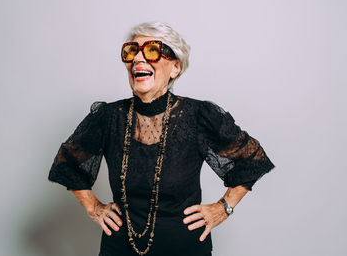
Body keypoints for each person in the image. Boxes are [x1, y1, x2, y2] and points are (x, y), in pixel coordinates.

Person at [47, 21, 275, 256]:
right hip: (120, 249)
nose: (137, 59)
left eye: (152, 51)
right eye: (131, 51)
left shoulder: (198, 116)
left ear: (175, 67)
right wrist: (94, 208)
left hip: (184, 249)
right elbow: (68, 164)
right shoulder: (108, 118)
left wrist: (224, 207)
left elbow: (252, 160)